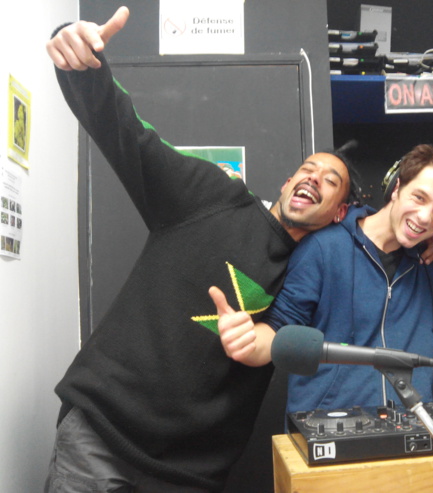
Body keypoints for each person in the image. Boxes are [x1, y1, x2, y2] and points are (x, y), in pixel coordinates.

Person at [43, 6, 367, 493]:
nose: (313, 179)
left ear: (339, 212)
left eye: (331, 181)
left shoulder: (314, 268)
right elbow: (130, 138)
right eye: (307, 170)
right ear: (287, 182)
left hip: (188, 474)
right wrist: (80, 62)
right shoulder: (215, 197)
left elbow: (381, 236)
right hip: (102, 436)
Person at [212, 144, 433, 415]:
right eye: (419, 197)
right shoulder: (323, 248)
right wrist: (247, 343)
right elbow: (279, 328)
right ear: (397, 188)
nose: (425, 217)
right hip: (329, 434)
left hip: (412, 432)